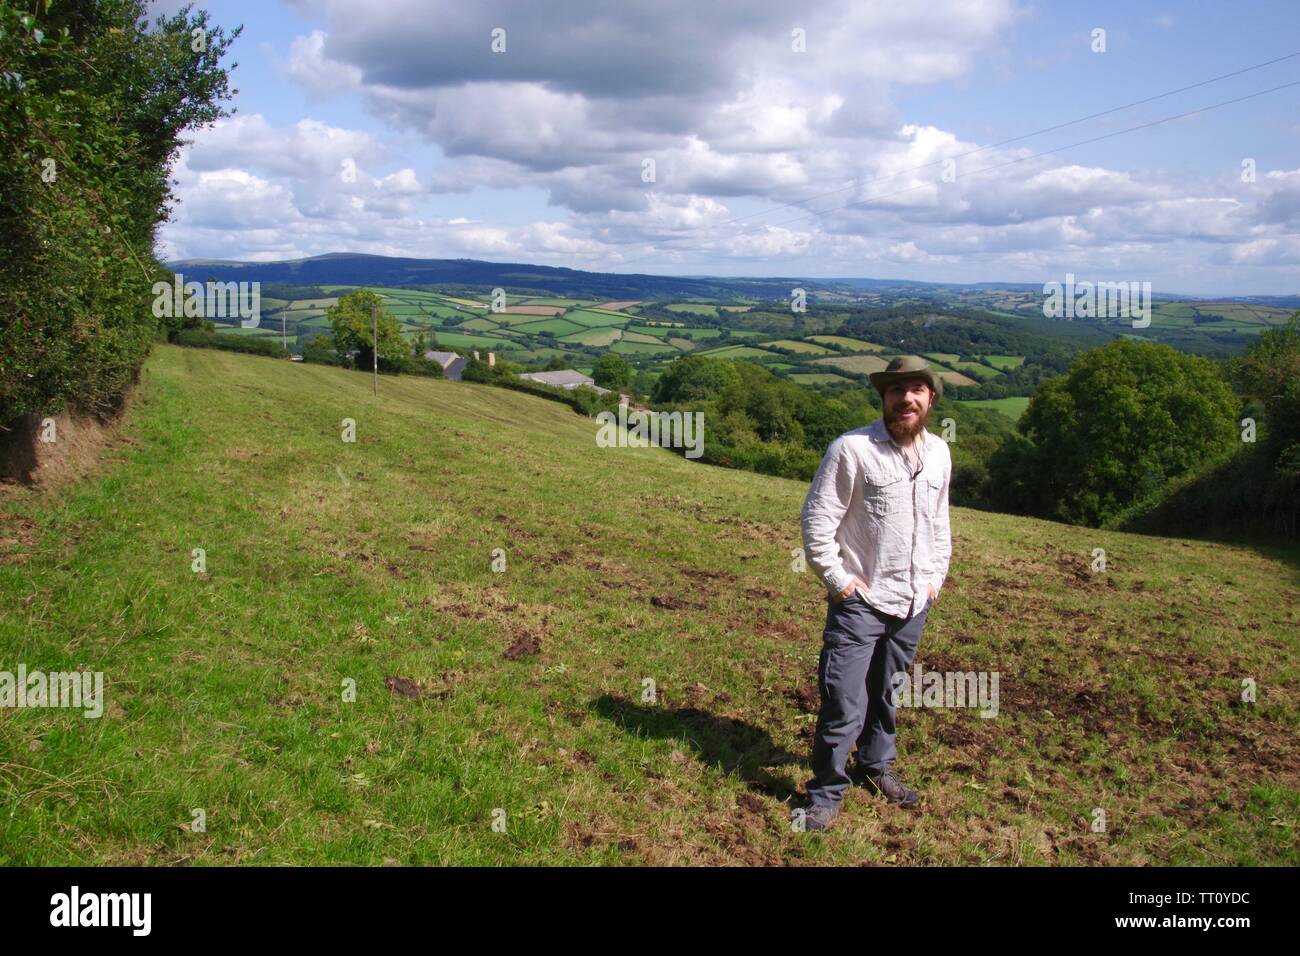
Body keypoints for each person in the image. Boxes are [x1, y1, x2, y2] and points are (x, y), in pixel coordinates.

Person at [797, 356, 952, 831]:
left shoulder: (941, 453)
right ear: (883, 399)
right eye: (894, 390)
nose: (904, 398)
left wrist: (934, 578)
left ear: (930, 399)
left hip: (912, 602)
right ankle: (825, 792)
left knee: (887, 692)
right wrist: (839, 581)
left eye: (915, 390)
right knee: (844, 697)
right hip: (861, 600)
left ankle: (877, 767)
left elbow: (939, 522)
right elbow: (816, 521)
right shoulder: (852, 449)